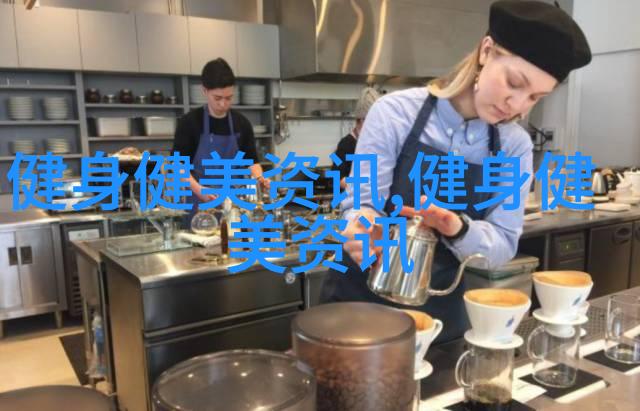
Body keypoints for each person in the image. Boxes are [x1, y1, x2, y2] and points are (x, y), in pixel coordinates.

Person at [320, 1, 592, 343]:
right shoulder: (394, 114)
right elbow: (361, 204)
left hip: (437, 313)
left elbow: (504, 243)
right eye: (514, 83)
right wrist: (363, 229)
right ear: (486, 51)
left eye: (535, 97)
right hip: (358, 303)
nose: (519, 107)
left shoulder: (514, 147)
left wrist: (458, 227)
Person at [173, 58, 270, 222]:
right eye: (217, 98)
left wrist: (259, 179)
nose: (223, 104)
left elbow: (252, 161)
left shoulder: (242, 123)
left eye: (228, 98)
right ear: (205, 91)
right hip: (200, 205)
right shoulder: (190, 123)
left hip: (235, 205)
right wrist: (199, 190)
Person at [331, 87, 380, 189]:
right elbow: (338, 178)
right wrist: (363, 186)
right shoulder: (346, 144)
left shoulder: (379, 143)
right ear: (360, 120)